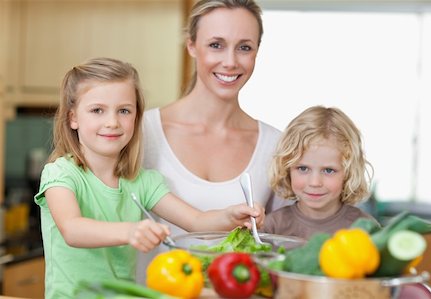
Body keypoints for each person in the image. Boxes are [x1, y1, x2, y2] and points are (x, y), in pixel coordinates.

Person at [34, 57, 264, 299]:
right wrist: (130, 231)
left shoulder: (141, 181)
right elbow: (73, 230)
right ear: (73, 118)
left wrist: (230, 216)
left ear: (136, 117)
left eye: (124, 111)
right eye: (97, 110)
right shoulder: (60, 173)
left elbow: (196, 221)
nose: (112, 122)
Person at [139, 0, 290, 282]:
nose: (230, 61)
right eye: (216, 45)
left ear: (257, 52)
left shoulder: (276, 145)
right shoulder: (141, 132)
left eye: (244, 47)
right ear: (192, 46)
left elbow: (283, 241)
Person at [262, 105, 378, 239]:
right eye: (303, 168)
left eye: (328, 170)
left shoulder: (366, 229)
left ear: (348, 173)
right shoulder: (272, 227)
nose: (315, 182)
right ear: (287, 169)